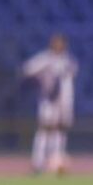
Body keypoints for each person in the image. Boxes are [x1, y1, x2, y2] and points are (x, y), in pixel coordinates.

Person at [21, 33, 78, 174]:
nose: (58, 46)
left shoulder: (69, 61)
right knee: (44, 130)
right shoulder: (45, 59)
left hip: (64, 102)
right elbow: (28, 69)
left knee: (60, 131)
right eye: (56, 42)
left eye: (61, 43)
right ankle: (37, 163)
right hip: (48, 101)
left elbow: (68, 81)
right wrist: (41, 81)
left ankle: (57, 162)